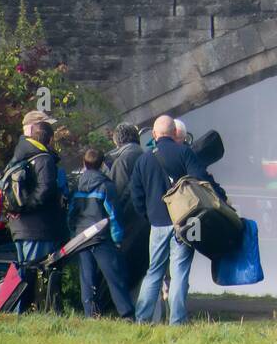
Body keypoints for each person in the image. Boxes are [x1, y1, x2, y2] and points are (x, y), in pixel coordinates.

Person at [129, 114, 224, 325]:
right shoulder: (185, 153)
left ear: (153, 135)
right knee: (179, 273)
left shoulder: (143, 160)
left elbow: (135, 194)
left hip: (157, 224)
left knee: (154, 271)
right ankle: (177, 320)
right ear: (174, 134)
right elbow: (200, 180)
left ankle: (142, 319)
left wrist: (149, 216)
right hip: (185, 222)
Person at [70, 148, 134, 319]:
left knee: (87, 278)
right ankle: (126, 314)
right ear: (103, 164)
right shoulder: (107, 186)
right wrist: (118, 239)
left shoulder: (77, 185)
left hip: (81, 237)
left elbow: (71, 213)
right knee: (114, 277)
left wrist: (73, 234)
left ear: (84, 163)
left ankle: (91, 315)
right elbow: (114, 215)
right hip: (101, 237)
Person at [4, 110, 69, 266]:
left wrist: (18, 211)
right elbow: (45, 188)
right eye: (45, 125)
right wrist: (26, 208)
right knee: (39, 279)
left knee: (25, 279)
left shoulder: (19, 155)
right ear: (34, 128)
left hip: (20, 228)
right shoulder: (42, 157)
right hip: (38, 230)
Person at [105, 122, 148, 292]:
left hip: (129, 221)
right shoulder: (143, 155)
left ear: (117, 140)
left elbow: (118, 193)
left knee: (126, 266)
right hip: (144, 219)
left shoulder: (123, 160)